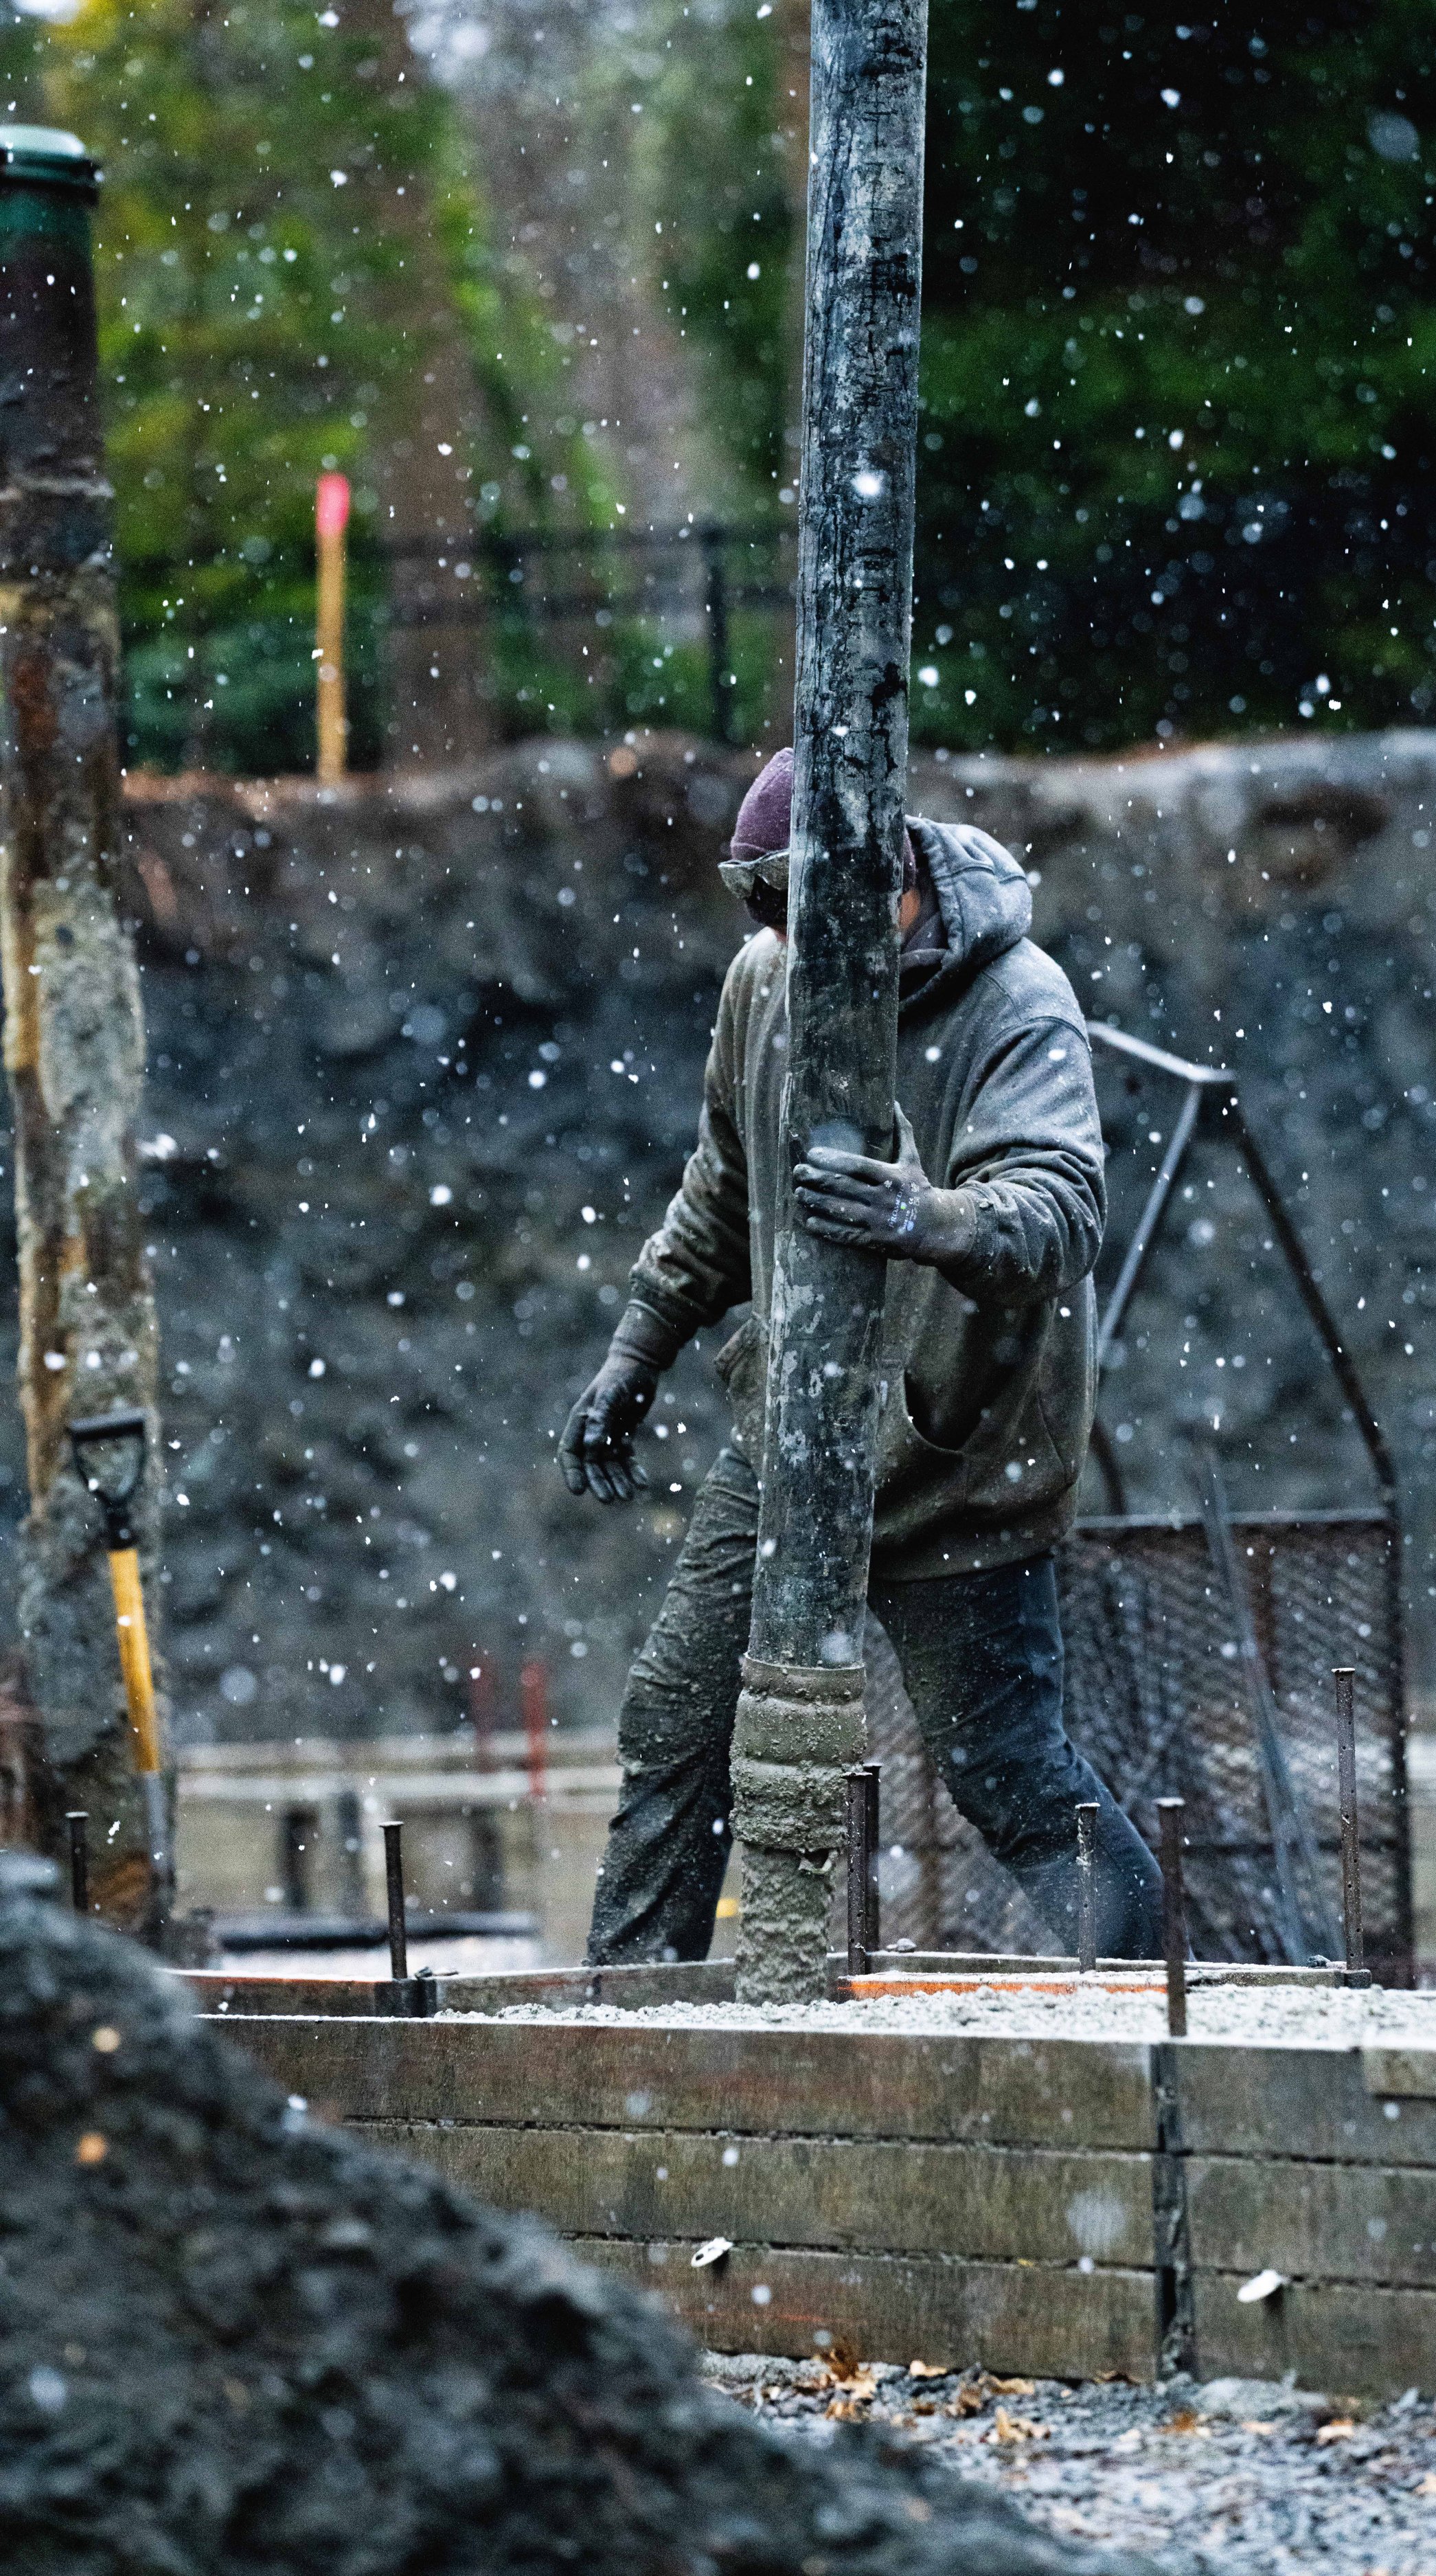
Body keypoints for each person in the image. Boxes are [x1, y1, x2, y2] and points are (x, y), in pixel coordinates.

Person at [559, 745, 1163, 1964]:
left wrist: (928, 1216)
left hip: (958, 1459)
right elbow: (724, 1186)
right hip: (793, 1443)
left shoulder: (1017, 1001)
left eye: (798, 909)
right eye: (761, 912)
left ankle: (1156, 2002)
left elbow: (1060, 1206)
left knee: (1008, 1775)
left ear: (884, 882)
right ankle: (631, 2024)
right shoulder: (766, 979)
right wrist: (639, 1350)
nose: (780, 938)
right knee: (676, 1727)